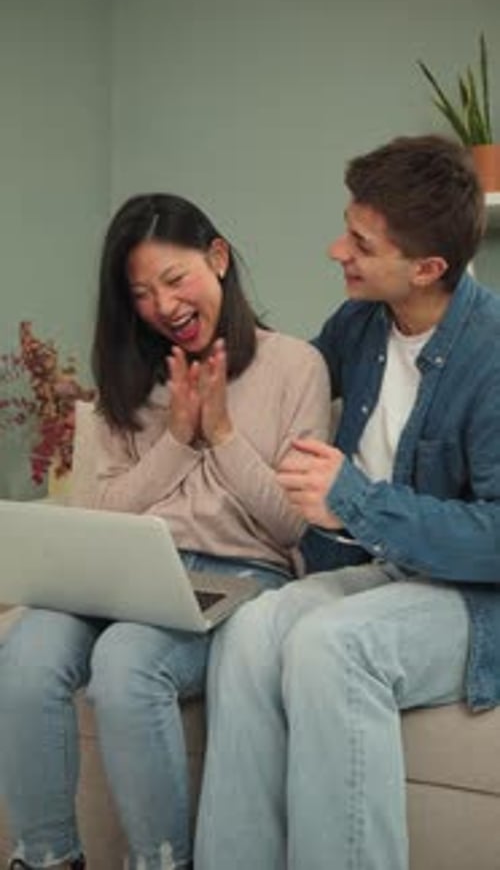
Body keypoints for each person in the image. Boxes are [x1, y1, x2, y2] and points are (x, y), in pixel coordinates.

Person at [194, 135, 500, 870]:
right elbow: (279, 385)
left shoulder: (493, 354)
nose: (338, 250)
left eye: (361, 242)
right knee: (249, 632)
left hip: (472, 595)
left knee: (332, 646)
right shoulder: (361, 323)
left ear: (427, 267)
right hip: (379, 572)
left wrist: (354, 501)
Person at [0, 193, 331, 870]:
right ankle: (45, 857)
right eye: (142, 293)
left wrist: (223, 435)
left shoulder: (295, 366)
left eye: (174, 280)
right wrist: (177, 439)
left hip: (239, 573)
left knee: (126, 664)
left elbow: (291, 525)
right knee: (25, 649)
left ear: (218, 258)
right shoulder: (130, 374)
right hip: (127, 570)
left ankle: (161, 863)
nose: (162, 305)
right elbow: (105, 514)